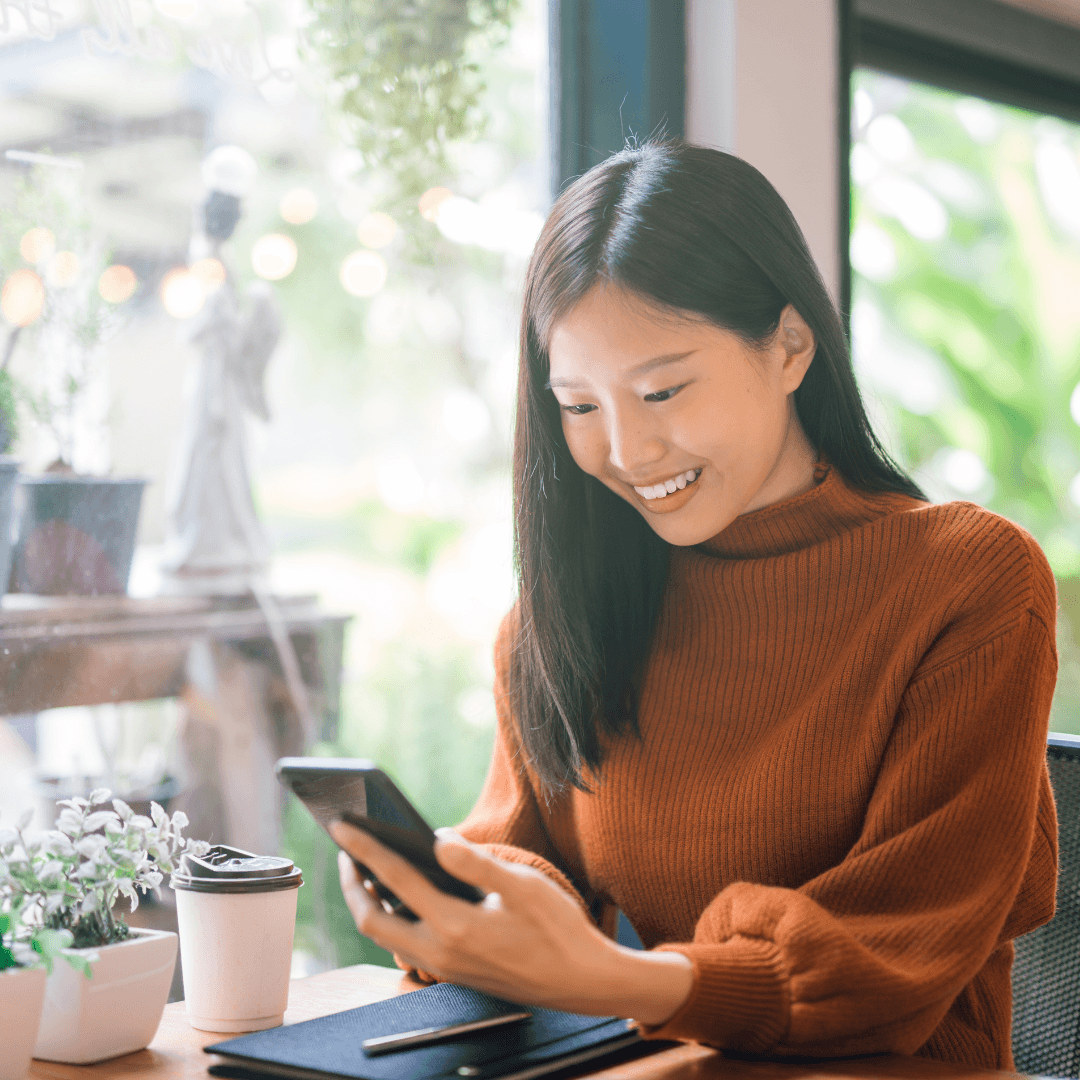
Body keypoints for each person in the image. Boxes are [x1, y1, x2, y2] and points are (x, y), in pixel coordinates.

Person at [330, 141, 1058, 1071]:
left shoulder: (969, 581)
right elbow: (517, 851)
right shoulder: (562, 617)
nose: (628, 450)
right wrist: (458, 901)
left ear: (791, 347)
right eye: (580, 405)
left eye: (663, 388)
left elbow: (895, 960)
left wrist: (612, 981)